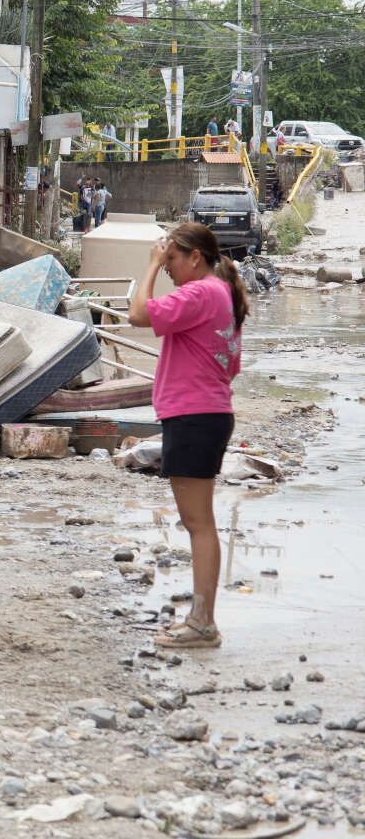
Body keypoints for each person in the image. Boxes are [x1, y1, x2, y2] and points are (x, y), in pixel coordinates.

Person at [127, 222, 246, 650]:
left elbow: (138, 314)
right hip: (204, 412)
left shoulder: (200, 293)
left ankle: (203, 622)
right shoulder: (220, 294)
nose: (171, 269)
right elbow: (231, 365)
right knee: (200, 522)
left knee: (199, 524)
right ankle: (201, 618)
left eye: (174, 260)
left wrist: (152, 265)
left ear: (195, 257)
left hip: (196, 414)